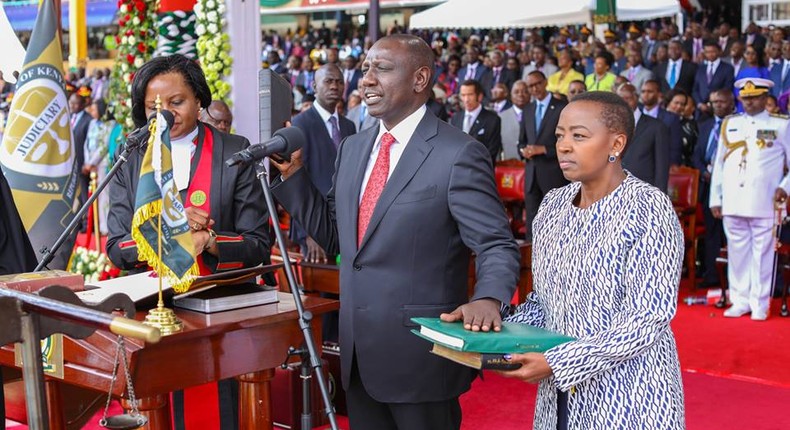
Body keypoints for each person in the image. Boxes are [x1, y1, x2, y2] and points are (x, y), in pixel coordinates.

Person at [271, 34, 519, 430]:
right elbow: (337, 237)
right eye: (366, 68)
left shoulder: (458, 152)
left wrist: (489, 297)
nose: (365, 79)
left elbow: (495, 244)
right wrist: (294, 179)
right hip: (359, 359)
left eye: (382, 69)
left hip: (422, 359)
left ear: (420, 79)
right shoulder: (352, 147)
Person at [106, 54, 272, 429]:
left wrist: (208, 240)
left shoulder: (234, 151)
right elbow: (117, 245)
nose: (165, 114)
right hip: (152, 313)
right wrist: (170, 236)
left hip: (220, 316)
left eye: (176, 102)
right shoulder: (131, 157)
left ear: (199, 99)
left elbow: (258, 243)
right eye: (153, 107)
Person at [502, 91, 685, 429]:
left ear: (616, 144)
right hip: (560, 392)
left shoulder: (648, 209)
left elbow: (648, 318)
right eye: (559, 135)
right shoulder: (553, 205)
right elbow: (544, 302)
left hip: (630, 393)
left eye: (579, 136)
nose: (564, 145)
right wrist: (493, 328)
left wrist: (559, 362)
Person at [710, 78, 790, 321]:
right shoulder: (730, 123)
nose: (749, 101)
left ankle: (759, 302)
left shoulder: (781, 125)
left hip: (764, 200)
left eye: (754, 97)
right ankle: (740, 299)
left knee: (763, 252)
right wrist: (716, 197)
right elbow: (719, 165)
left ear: (766, 98)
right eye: (745, 97)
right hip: (733, 200)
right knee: (737, 251)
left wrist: (784, 187)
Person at [692, 89, 735, 288]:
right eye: (714, 102)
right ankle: (711, 276)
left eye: (721, 101)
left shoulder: (738, 125)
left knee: (731, 234)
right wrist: (704, 172)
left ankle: (731, 277)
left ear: (732, 104)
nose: (717, 105)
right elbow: (696, 156)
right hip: (707, 186)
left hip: (733, 187)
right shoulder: (705, 125)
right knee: (711, 233)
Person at [519, 71, 568, 240]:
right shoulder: (527, 109)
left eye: (537, 84)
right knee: (532, 220)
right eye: (530, 86)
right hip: (531, 173)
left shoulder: (561, 107)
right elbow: (521, 141)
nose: (534, 89)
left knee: (556, 218)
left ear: (546, 82)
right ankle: (531, 259)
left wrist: (544, 149)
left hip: (553, 173)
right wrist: (523, 151)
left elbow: (568, 143)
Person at [617, 83, 670, 191]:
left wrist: (659, 198)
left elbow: (662, 168)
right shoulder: (610, 127)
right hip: (616, 191)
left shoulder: (656, 126)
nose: (623, 103)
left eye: (627, 98)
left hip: (644, 191)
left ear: (636, 98)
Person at [451, 79, 502, 164]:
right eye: (463, 95)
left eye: (470, 95)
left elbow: (491, 152)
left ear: (480, 96)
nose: (466, 99)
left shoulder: (493, 120)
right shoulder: (456, 118)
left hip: (480, 171)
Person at [640, 79, 683, 166]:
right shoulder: (634, 114)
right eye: (643, 91)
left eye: (650, 91)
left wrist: (672, 165)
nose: (645, 95)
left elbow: (675, 147)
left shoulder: (671, 118)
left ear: (659, 94)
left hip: (661, 166)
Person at [692, 40, 735, 118]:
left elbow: (728, 87)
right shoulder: (700, 68)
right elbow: (695, 89)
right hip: (701, 110)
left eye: (713, 51)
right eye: (707, 52)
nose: (710, 54)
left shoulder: (727, 68)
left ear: (719, 52)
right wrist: (699, 104)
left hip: (719, 108)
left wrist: (711, 103)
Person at [499, 80, 529, 160]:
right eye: (516, 92)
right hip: (510, 166)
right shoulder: (501, 117)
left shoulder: (538, 114)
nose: (520, 95)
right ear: (510, 95)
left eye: (525, 91)